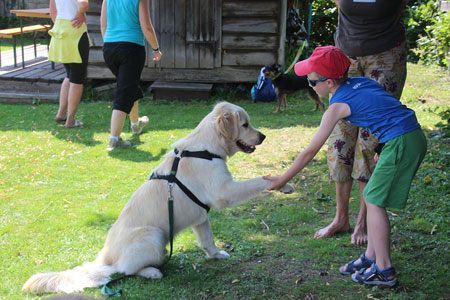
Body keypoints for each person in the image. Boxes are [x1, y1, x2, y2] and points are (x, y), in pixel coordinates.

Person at [264, 46, 426, 287]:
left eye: (312, 82)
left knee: (373, 201)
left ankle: (384, 270)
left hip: (401, 142)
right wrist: (382, 147)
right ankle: (371, 257)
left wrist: (282, 179)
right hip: (408, 136)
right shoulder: (362, 82)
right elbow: (386, 110)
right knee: (372, 198)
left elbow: (310, 151)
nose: (309, 85)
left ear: (329, 83)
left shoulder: (337, 107)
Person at [316, 0, 408, 244]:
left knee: (370, 140)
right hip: (345, 58)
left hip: (386, 56)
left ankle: (363, 223)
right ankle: (341, 218)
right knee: (340, 140)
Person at [100, 0, 162, 150]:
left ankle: (136, 124)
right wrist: (156, 49)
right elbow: (146, 26)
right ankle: (114, 139)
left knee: (129, 86)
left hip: (109, 48)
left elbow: (103, 25)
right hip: (131, 48)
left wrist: (111, 44)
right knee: (124, 91)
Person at [50, 0, 90, 128]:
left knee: (69, 75)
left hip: (60, 31)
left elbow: (53, 14)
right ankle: (70, 120)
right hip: (75, 33)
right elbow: (83, 4)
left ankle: (61, 114)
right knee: (77, 79)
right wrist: (80, 14)